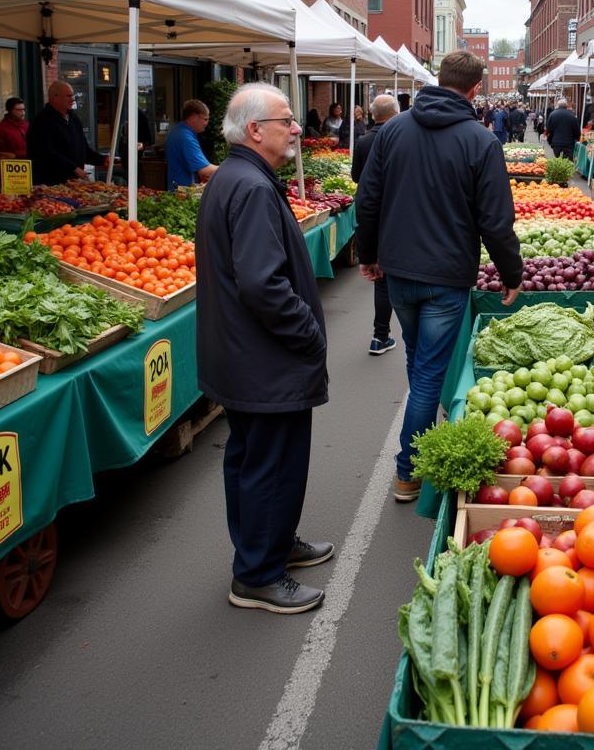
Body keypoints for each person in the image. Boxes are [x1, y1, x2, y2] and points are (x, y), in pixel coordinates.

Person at [355, 50, 522, 502]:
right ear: (473, 90)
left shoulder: (392, 130)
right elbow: (495, 219)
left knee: (419, 362)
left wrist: (366, 253)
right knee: (428, 373)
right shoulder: (480, 140)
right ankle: (408, 470)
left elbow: (367, 199)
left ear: (438, 79)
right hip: (446, 275)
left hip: (398, 270)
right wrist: (512, 272)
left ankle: (419, 425)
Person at [196, 82, 332, 614]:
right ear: (256, 130)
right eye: (286, 121)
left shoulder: (237, 177)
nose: (296, 128)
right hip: (265, 361)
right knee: (272, 466)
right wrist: (309, 332)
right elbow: (262, 286)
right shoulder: (250, 187)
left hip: (245, 357)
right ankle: (257, 574)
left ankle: (273, 545)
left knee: (253, 460)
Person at [352, 94, 399, 356]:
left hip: (374, 213)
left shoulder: (364, 140)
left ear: (372, 115)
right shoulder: (402, 137)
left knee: (382, 280)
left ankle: (380, 335)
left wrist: (366, 253)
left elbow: (357, 177)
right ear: (396, 112)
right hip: (397, 213)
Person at [27, 81, 107, 185]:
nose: (73, 99)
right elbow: (45, 152)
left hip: (73, 182)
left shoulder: (74, 119)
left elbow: (84, 150)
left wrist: (103, 160)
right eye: (68, 96)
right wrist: (73, 168)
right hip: (50, 183)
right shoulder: (41, 121)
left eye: (73, 95)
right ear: (55, 97)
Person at [165, 99, 217, 190]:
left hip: (177, 188)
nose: (206, 123)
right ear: (193, 117)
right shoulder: (185, 136)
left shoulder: (179, 130)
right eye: (205, 119)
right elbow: (205, 171)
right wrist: (232, 168)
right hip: (182, 192)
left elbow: (201, 172)